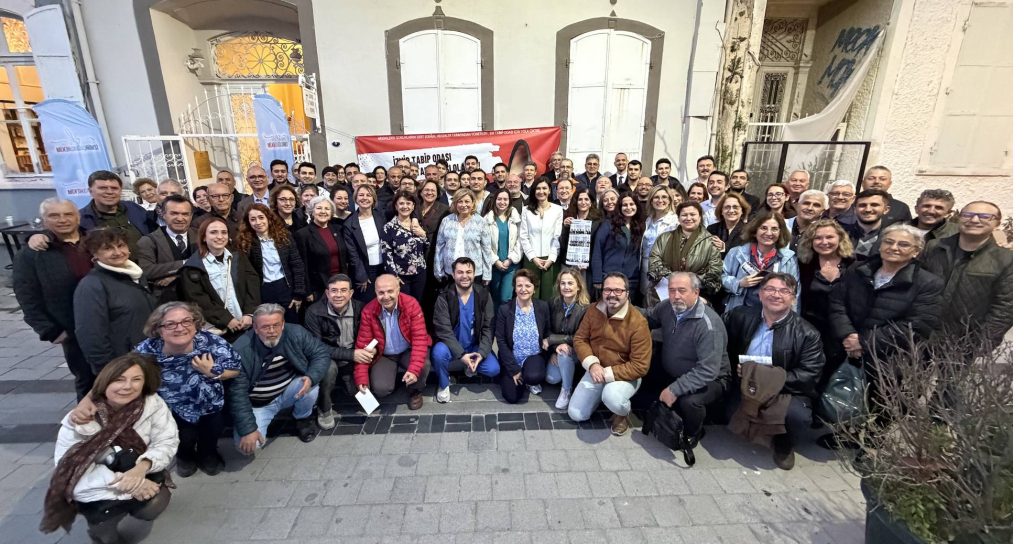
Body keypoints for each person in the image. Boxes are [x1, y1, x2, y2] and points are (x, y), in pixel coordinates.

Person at [42, 354, 177, 543]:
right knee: (106, 536)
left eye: (136, 379)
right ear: (105, 382)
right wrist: (133, 485)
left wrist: (143, 467)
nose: (128, 386)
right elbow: (74, 476)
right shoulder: (80, 421)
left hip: (139, 471)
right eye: (119, 379)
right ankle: (100, 527)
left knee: (154, 504)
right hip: (99, 486)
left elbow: (166, 440)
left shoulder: (152, 404)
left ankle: (126, 506)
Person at [724, 273, 825, 469]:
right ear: (760, 294)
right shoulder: (740, 316)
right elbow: (725, 349)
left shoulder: (807, 333)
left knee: (798, 417)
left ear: (793, 298)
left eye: (784, 291)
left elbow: (809, 375)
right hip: (745, 385)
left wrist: (764, 378)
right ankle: (756, 428)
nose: (776, 295)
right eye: (770, 289)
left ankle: (783, 442)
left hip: (785, 391)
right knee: (729, 411)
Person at [134, 302, 240, 476]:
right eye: (170, 324)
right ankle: (184, 456)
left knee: (212, 430)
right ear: (158, 329)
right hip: (170, 407)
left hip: (210, 402)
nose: (180, 328)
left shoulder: (211, 342)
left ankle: (208, 454)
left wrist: (213, 372)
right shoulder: (146, 351)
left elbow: (235, 369)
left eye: (186, 321)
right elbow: (122, 374)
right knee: (184, 436)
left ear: (195, 324)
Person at [643, 272, 729, 464]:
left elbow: (708, 370)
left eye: (682, 290)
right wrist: (622, 307)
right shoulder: (667, 307)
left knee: (690, 402)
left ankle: (694, 431)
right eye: (672, 290)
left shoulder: (708, 325)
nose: (676, 296)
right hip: (674, 369)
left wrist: (675, 389)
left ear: (696, 292)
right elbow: (647, 317)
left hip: (712, 378)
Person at [14, 199, 95, 399]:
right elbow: (27, 295)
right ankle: (88, 426)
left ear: (77, 216)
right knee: (86, 379)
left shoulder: (95, 241)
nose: (62, 220)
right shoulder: (33, 254)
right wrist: (49, 330)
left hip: (110, 321)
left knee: (117, 375)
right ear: (44, 220)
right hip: (72, 327)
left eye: (68, 214)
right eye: (54, 215)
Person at [230, 304, 330, 451]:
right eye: (265, 327)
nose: (272, 331)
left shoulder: (295, 332)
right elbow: (237, 393)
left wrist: (311, 377)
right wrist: (248, 429)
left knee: (311, 384)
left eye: (276, 325)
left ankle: (302, 418)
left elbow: (320, 353)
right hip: (258, 404)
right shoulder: (242, 349)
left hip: (288, 391)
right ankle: (257, 423)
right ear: (255, 328)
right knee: (247, 447)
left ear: (283, 324)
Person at [920, 201, 1012, 354]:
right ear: (958, 218)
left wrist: (983, 342)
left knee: (951, 379)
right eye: (968, 215)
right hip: (921, 335)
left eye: (985, 216)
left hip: (965, 342)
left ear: (997, 223)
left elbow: (1005, 307)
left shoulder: (1006, 260)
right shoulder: (934, 247)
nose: (974, 220)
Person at [570, 272, 652, 435]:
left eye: (618, 290)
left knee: (613, 398)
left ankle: (622, 413)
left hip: (625, 374)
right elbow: (580, 339)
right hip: (596, 368)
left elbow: (640, 366)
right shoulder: (594, 310)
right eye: (607, 290)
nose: (612, 294)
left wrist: (606, 374)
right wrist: (592, 365)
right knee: (576, 414)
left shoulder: (638, 322)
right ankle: (603, 397)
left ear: (627, 293)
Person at [74, 229, 157, 374]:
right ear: (94, 254)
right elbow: (91, 333)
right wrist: (108, 370)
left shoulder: (136, 275)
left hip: (145, 356)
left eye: (121, 246)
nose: (117, 252)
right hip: (121, 364)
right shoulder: (92, 285)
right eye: (107, 248)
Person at [796, 219, 855, 408]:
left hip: (842, 329)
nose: (824, 242)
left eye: (829, 237)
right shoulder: (805, 264)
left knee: (834, 373)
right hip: (811, 326)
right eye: (818, 238)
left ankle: (830, 412)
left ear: (840, 238)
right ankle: (809, 408)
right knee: (810, 370)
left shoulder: (855, 264)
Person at [354, 275, 432, 410]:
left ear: (398, 290)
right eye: (381, 293)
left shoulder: (411, 304)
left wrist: (413, 370)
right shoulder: (369, 311)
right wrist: (361, 378)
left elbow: (420, 339)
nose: (386, 296)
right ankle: (395, 381)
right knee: (381, 390)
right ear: (375, 293)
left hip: (409, 349)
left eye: (390, 291)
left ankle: (415, 391)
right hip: (384, 354)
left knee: (422, 365)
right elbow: (363, 345)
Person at [178, 216, 260, 342]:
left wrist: (249, 313)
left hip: (246, 323)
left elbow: (252, 283)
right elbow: (199, 301)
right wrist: (227, 320)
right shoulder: (192, 267)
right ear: (204, 237)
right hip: (219, 331)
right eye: (213, 232)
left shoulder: (238, 257)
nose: (220, 236)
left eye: (224, 232)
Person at [432, 258, 501, 403]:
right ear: (453, 274)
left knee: (493, 369)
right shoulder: (444, 296)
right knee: (438, 354)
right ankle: (444, 384)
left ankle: (470, 367)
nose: (465, 276)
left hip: (474, 345)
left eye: (469, 272)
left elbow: (489, 328)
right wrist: (461, 354)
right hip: (451, 346)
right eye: (460, 272)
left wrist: (482, 353)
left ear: (475, 273)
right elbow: (444, 331)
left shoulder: (483, 294)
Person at [304, 273, 363, 430]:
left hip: (353, 356)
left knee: (358, 395)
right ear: (327, 293)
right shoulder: (314, 312)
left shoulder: (360, 308)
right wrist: (351, 354)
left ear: (350, 293)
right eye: (334, 290)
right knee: (328, 370)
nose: (338, 295)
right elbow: (316, 348)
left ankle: (347, 380)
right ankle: (324, 408)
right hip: (327, 357)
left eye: (343, 290)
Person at [236, 204, 306, 323]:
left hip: (285, 287)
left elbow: (296, 264)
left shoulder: (284, 236)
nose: (258, 222)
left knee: (291, 323)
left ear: (268, 218)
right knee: (270, 324)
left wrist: (298, 293)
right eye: (253, 219)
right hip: (263, 290)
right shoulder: (246, 242)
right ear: (248, 222)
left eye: (261, 217)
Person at [721, 211, 799, 312]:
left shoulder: (788, 259)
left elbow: (794, 292)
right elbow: (722, 277)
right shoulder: (736, 253)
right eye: (763, 228)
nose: (769, 233)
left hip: (773, 315)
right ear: (755, 230)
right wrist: (738, 283)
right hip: (740, 313)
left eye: (774, 229)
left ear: (780, 232)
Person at [648, 201, 724, 303]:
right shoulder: (664, 238)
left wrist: (687, 283)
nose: (688, 218)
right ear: (678, 218)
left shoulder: (711, 242)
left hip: (697, 296)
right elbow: (654, 262)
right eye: (684, 215)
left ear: (700, 217)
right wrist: (673, 279)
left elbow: (714, 272)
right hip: (663, 294)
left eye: (692, 214)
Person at [495, 269, 551, 403]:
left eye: (528, 285)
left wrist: (546, 340)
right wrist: (514, 369)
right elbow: (501, 341)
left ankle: (528, 378)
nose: (523, 289)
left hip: (533, 357)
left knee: (534, 376)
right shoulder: (505, 310)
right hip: (512, 359)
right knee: (512, 397)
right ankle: (516, 376)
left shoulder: (542, 307)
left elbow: (548, 331)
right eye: (519, 285)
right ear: (515, 288)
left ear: (534, 288)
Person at [78, 170, 153, 257]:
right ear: (90, 191)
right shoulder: (81, 220)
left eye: (114, 188)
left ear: (120, 190)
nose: (109, 192)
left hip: (149, 267)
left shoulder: (134, 208)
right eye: (103, 188)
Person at [544, 268, 590, 410]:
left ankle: (566, 390)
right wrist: (553, 349)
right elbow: (547, 329)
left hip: (577, 350)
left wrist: (553, 341)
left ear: (578, 286)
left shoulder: (586, 308)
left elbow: (580, 337)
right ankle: (568, 374)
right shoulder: (553, 303)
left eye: (570, 283)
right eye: (563, 283)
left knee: (564, 353)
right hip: (558, 349)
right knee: (551, 379)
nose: (566, 287)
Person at [136, 194, 195, 302]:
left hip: (198, 298)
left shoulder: (201, 236)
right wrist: (186, 263)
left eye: (185, 214)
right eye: (174, 213)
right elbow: (146, 271)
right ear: (163, 214)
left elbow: (209, 266)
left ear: (191, 216)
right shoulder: (148, 241)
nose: (180, 218)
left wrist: (177, 276)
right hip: (166, 301)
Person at [296, 196, 348, 308]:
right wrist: (308, 291)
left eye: (327, 209)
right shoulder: (303, 234)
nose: (323, 211)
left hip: (340, 282)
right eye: (319, 208)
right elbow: (302, 265)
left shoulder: (338, 229)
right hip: (319, 287)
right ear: (312, 211)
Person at [592, 192, 644, 304]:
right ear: (619, 208)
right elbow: (597, 251)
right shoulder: (608, 224)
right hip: (609, 277)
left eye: (632, 204)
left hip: (631, 280)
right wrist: (597, 278)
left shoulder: (641, 226)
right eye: (625, 205)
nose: (628, 207)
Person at [434, 188, 492, 284]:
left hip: (473, 273)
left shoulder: (481, 222)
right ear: (455, 204)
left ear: (473, 203)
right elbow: (439, 247)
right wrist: (438, 270)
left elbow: (486, 249)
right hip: (450, 272)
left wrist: (487, 274)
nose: (463, 205)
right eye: (460, 201)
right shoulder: (446, 221)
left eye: (467, 201)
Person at [381, 191, 430, 300]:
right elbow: (386, 254)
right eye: (401, 203)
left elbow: (426, 246)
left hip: (420, 274)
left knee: (418, 304)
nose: (405, 206)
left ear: (413, 206)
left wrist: (423, 235)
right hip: (401, 276)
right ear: (396, 206)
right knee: (404, 306)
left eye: (408, 203)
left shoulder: (419, 224)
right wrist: (394, 276)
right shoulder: (389, 227)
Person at [343, 184, 387, 303]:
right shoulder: (349, 224)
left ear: (373, 199)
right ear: (356, 198)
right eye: (361, 195)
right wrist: (361, 276)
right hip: (366, 271)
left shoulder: (380, 216)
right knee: (368, 305)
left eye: (368, 195)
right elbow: (353, 255)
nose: (365, 198)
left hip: (384, 268)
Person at [520, 178, 562, 300]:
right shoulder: (526, 210)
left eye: (544, 188)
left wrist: (552, 258)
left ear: (549, 191)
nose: (541, 191)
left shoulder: (557, 210)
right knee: (530, 296)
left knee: (549, 297)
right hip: (532, 259)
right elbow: (523, 236)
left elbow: (557, 236)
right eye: (538, 188)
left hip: (551, 260)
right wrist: (533, 257)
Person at [483, 188, 522, 304]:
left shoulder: (516, 218)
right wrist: (495, 261)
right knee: (494, 297)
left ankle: (506, 321)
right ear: (494, 200)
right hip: (494, 265)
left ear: (510, 201)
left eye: (505, 199)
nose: (502, 202)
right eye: (499, 199)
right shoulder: (487, 219)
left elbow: (521, 240)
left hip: (511, 265)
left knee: (506, 298)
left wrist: (510, 260)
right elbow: (484, 244)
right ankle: (495, 322)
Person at [640, 186, 679, 301]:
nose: (660, 200)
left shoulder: (675, 221)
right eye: (656, 197)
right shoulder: (648, 220)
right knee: (646, 300)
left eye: (664, 197)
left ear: (670, 200)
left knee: (662, 302)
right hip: (645, 267)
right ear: (651, 201)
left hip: (665, 270)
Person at [844, 189, 893, 260]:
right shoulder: (841, 233)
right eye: (862, 205)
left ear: (886, 209)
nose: (868, 209)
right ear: (854, 210)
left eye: (874, 205)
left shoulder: (893, 237)